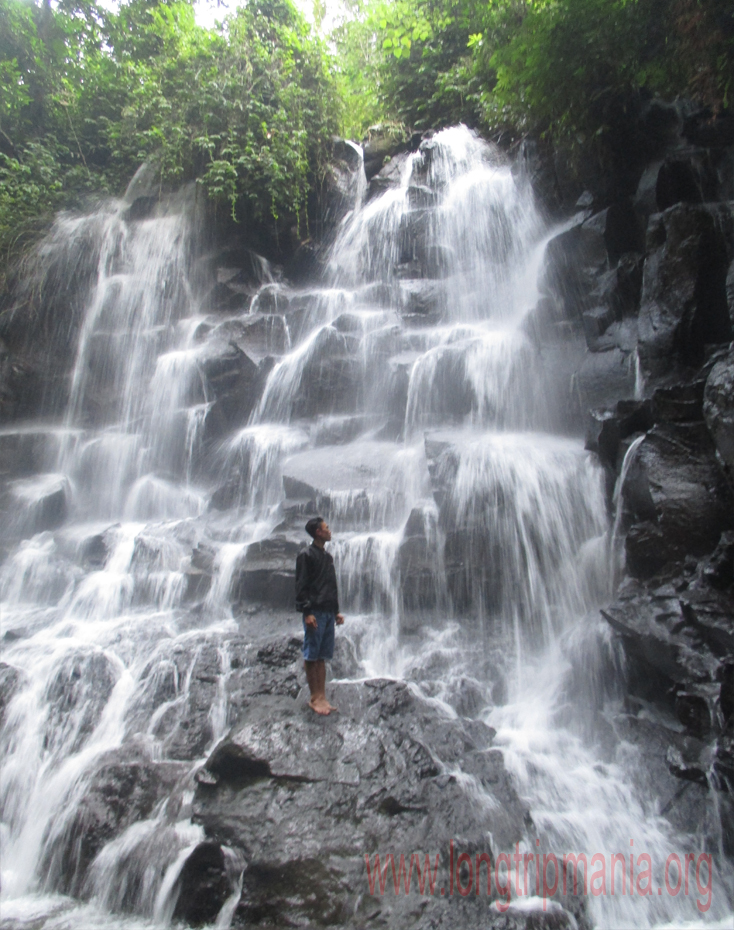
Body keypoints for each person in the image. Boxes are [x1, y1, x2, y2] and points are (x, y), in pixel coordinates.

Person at [295, 516, 345, 715]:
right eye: (326, 528)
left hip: (327, 611)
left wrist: (336, 611)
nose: (329, 530)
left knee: (322, 655)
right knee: (312, 654)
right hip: (314, 611)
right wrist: (306, 611)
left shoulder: (327, 557)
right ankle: (314, 697)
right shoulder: (306, 555)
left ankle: (322, 696)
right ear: (318, 532)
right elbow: (301, 585)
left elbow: (331, 586)